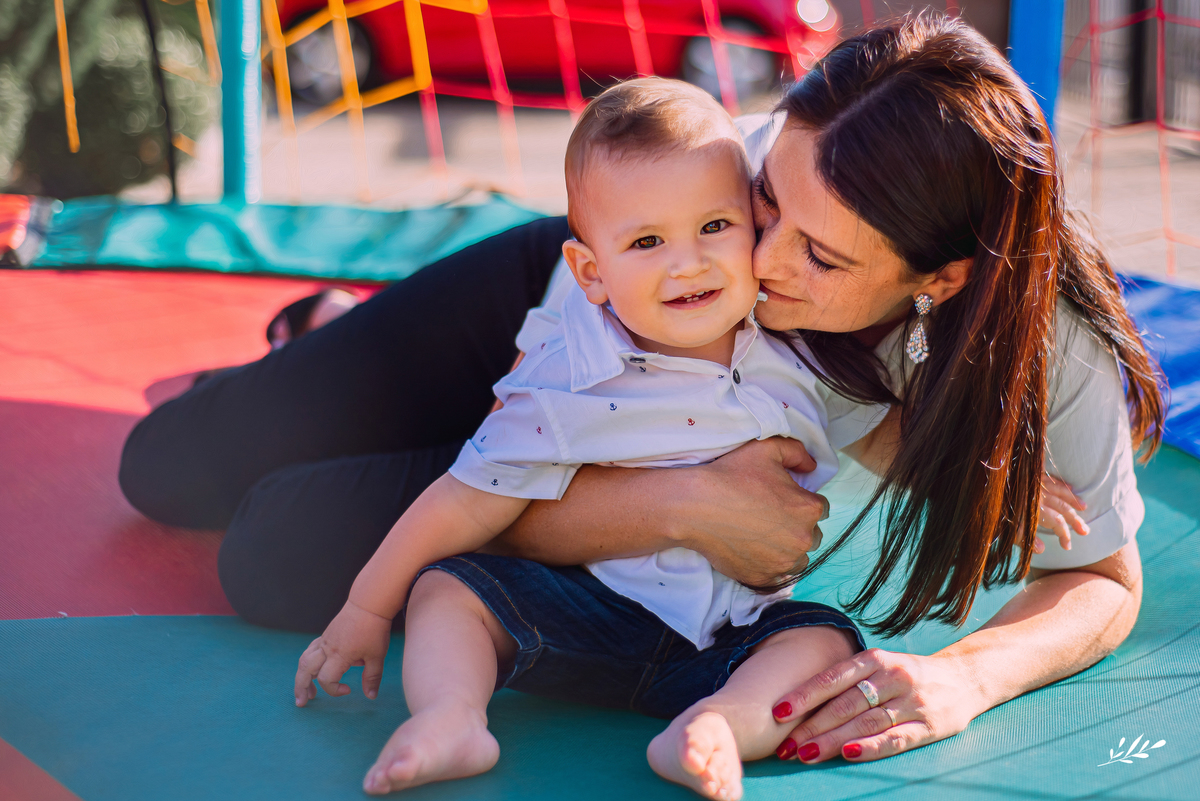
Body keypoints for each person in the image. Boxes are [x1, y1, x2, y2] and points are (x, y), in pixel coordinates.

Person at [118, 12, 1162, 766]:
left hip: (618, 439)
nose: (759, 259)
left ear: (942, 280)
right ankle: (336, 327)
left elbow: (1105, 582)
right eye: (762, 206)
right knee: (165, 466)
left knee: (269, 549)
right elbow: (518, 440)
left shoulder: (1056, 351)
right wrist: (680, 508)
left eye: (824, 259)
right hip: (564, 341)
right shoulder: (735, 196)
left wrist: (966, 678)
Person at [294, 78, 866, 800]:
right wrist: (367, 606)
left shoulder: (796, 346)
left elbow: (888, 425)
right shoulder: (569, 382)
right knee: (446, 589)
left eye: (714, 227)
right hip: (587, 614)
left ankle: (717, 724)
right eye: (648, 241)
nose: (686, 262)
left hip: (729, 631)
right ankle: (453, 715)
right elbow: (460, 503)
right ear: (591, 273)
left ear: (756, 220)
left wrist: (999, 476)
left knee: (823, 638)